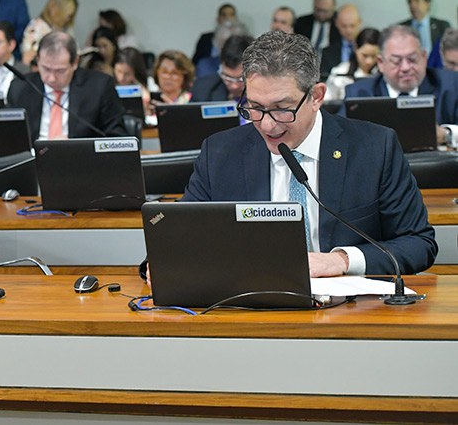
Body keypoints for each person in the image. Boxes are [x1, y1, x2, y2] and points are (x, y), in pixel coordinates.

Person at [147, 30, 436, 279]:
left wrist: (342, 261)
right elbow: (178, 239)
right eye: (256, 107)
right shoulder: (220, 153)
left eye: (282, 108)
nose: (268, 124)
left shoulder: (374, 147)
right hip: (251, 310)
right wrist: (162, 262)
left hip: (350, 311)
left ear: (317, 96)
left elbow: (418, 243)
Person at [344, 25, 458, 147]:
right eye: (396, 61)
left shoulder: (451, 85)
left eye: (412, 59)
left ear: (424, 57)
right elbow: (339, 138)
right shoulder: (359, 93)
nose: (405, 68)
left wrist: (447, 134)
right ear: (381, 63)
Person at [7, 31, 126, 140]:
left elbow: (116, 138)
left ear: (75, 63)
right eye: (46, 69)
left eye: (60, 71)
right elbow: (9, 139)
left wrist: (74, 149)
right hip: (32, 161)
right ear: (38, 60)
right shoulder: (20, 88)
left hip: (80, 160)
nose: (52, 78)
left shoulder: (99, 87)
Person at [293, 0, 342, 79]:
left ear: (334, 6)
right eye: (318, 10)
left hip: (332, 72)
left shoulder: (340, 25)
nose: (321, 14)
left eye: (325, 11)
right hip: (304, 72)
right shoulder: (301, 23)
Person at [21, 0, 78, 66]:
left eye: (71, 16)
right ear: (54, 9)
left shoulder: (65, 29)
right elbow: (29, 59)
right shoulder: (36, 28)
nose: (68, 19)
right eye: (67, 15)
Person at [399, 0, 451, 69]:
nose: (413, 5)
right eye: (410, 2)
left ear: (428, 3)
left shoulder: (442, 26)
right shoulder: (401, 27)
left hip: (437, 71)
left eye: (417, 1)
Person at [190, 34, 252, 103]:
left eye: (241, 79)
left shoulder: (265, 92)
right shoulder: (202, 90)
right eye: (227, 77)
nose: (234, 86)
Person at [324, 27, 380, 101]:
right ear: (355, 48)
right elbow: (327, 101)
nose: (369, 61)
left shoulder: (384, 74)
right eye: (364, 55)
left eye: (373, 56)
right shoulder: (340, 72)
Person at [192, 3, 237, 70]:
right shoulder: (205, 39)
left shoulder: (242, 40)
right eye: (224, 15)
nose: (227, 18)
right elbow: (195, 62)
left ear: (235, 18)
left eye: (231, 15)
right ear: (218, 19)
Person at [113, 47, 153, 116]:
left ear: (136, 72)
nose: (121, 78)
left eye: (127, 73)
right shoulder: (108, 85)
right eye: (119, 71)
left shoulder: (150, 85)